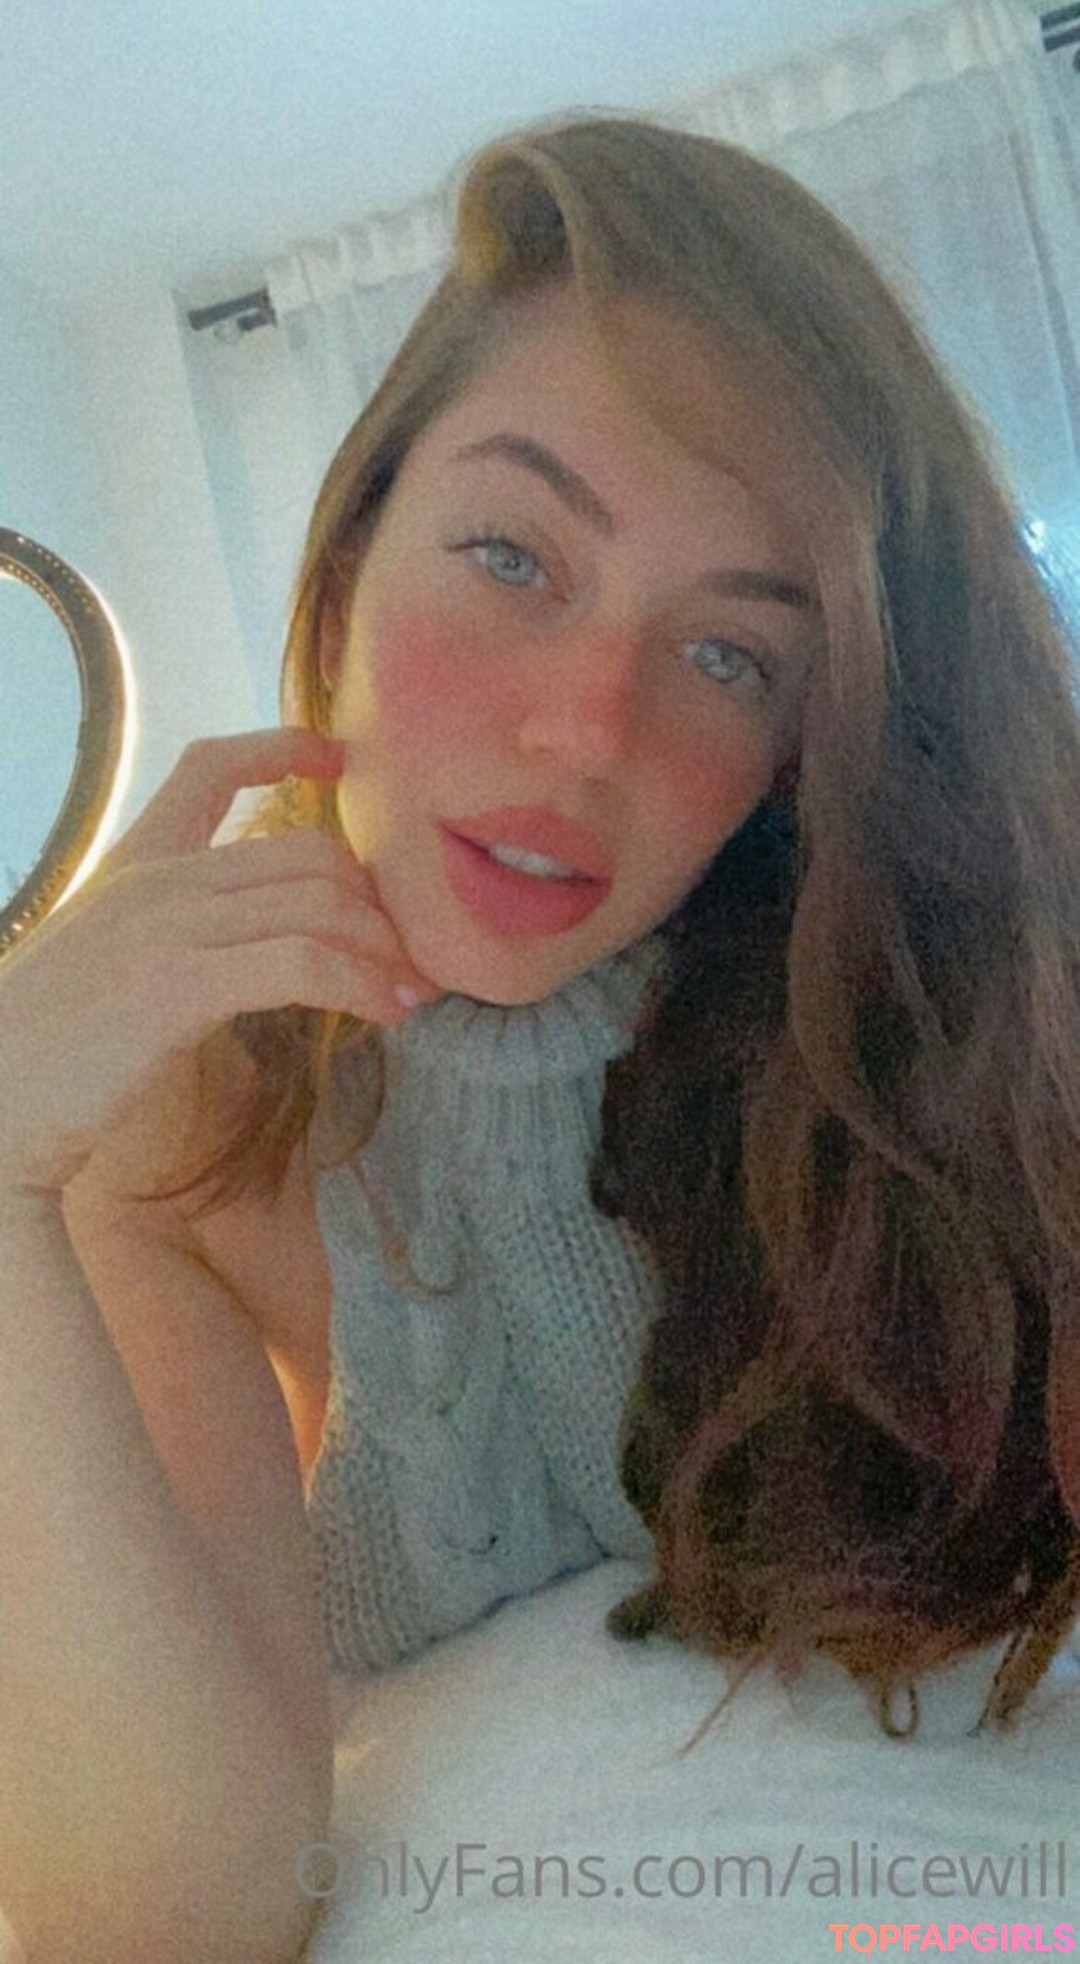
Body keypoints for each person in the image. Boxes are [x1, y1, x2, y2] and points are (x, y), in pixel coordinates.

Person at [1, 113, 1078, 1962]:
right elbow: (177, 1909)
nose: (589, 729)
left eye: (729, 654)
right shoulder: (192, 1116)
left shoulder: (929, 1031)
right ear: (348, 564)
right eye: (512, 555)